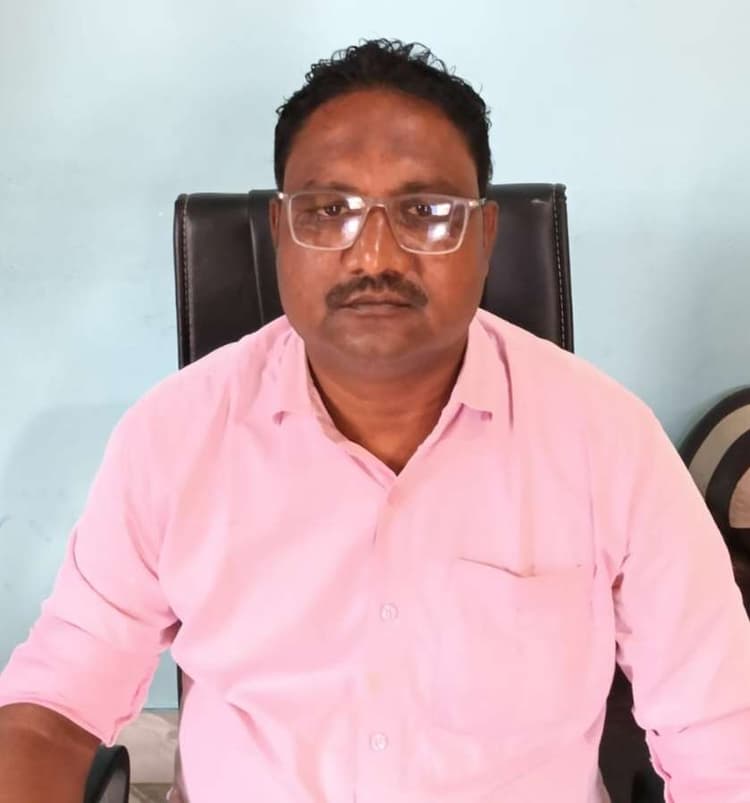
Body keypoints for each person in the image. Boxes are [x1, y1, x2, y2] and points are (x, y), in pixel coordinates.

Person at [1, 38, 749, 803]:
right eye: (331, 211)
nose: (375, 256)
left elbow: (725, 743)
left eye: (426, 212)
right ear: (280, 231)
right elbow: (52, 708)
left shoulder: (608, 442)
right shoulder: (174, 436)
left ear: (485, 235)